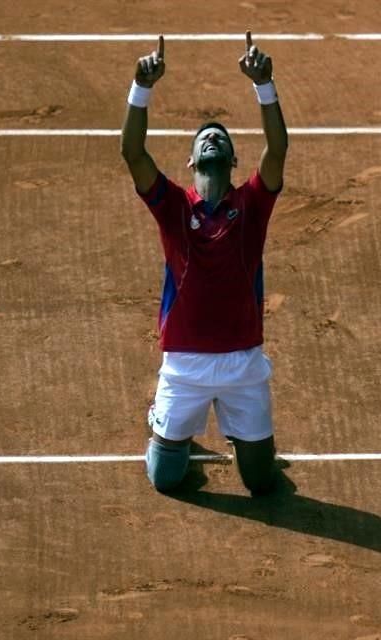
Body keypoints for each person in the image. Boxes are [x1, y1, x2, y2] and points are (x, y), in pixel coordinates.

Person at [120, 31, 288, 496]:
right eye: (203, 137)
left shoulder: (252, 203)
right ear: (190, 160)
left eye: (220, 137)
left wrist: (264, 86)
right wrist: (142, 88)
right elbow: (132, 153)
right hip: (185, 366)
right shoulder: (173, 204)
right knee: (165, 480)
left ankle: (246, 445)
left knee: (261, 483)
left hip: (243, 364)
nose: (211, 138)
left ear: (233, 159)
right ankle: (164, 426)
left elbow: (277, 151)